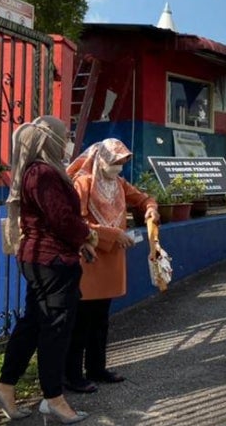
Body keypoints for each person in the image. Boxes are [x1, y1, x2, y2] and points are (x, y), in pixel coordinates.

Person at [0, 115, 98, 426]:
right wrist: (87, 235)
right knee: (55, 329)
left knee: (34, 325)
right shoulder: (44, 173)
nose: (68, 142)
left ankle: (5, 387)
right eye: (65, 136)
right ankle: (53, 398)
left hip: (45, 259)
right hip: (53, 262)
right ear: (51, 140)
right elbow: (61, 219)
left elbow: (57, 219)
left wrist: (80, 241)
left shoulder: (37, 171)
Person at [64, 139, 159, 392]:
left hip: (112, 258)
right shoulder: (83, 182)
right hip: (90, 257)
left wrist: (151, 209)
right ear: (101, 159)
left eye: (122, 162)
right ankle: (72, 375)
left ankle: (97, 368)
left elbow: (144, 199)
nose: (118, 167)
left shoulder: (118, 183)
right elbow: (77, 222)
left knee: (101, 320)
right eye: (115, 161)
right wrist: (112, 234)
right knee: (81, 321)